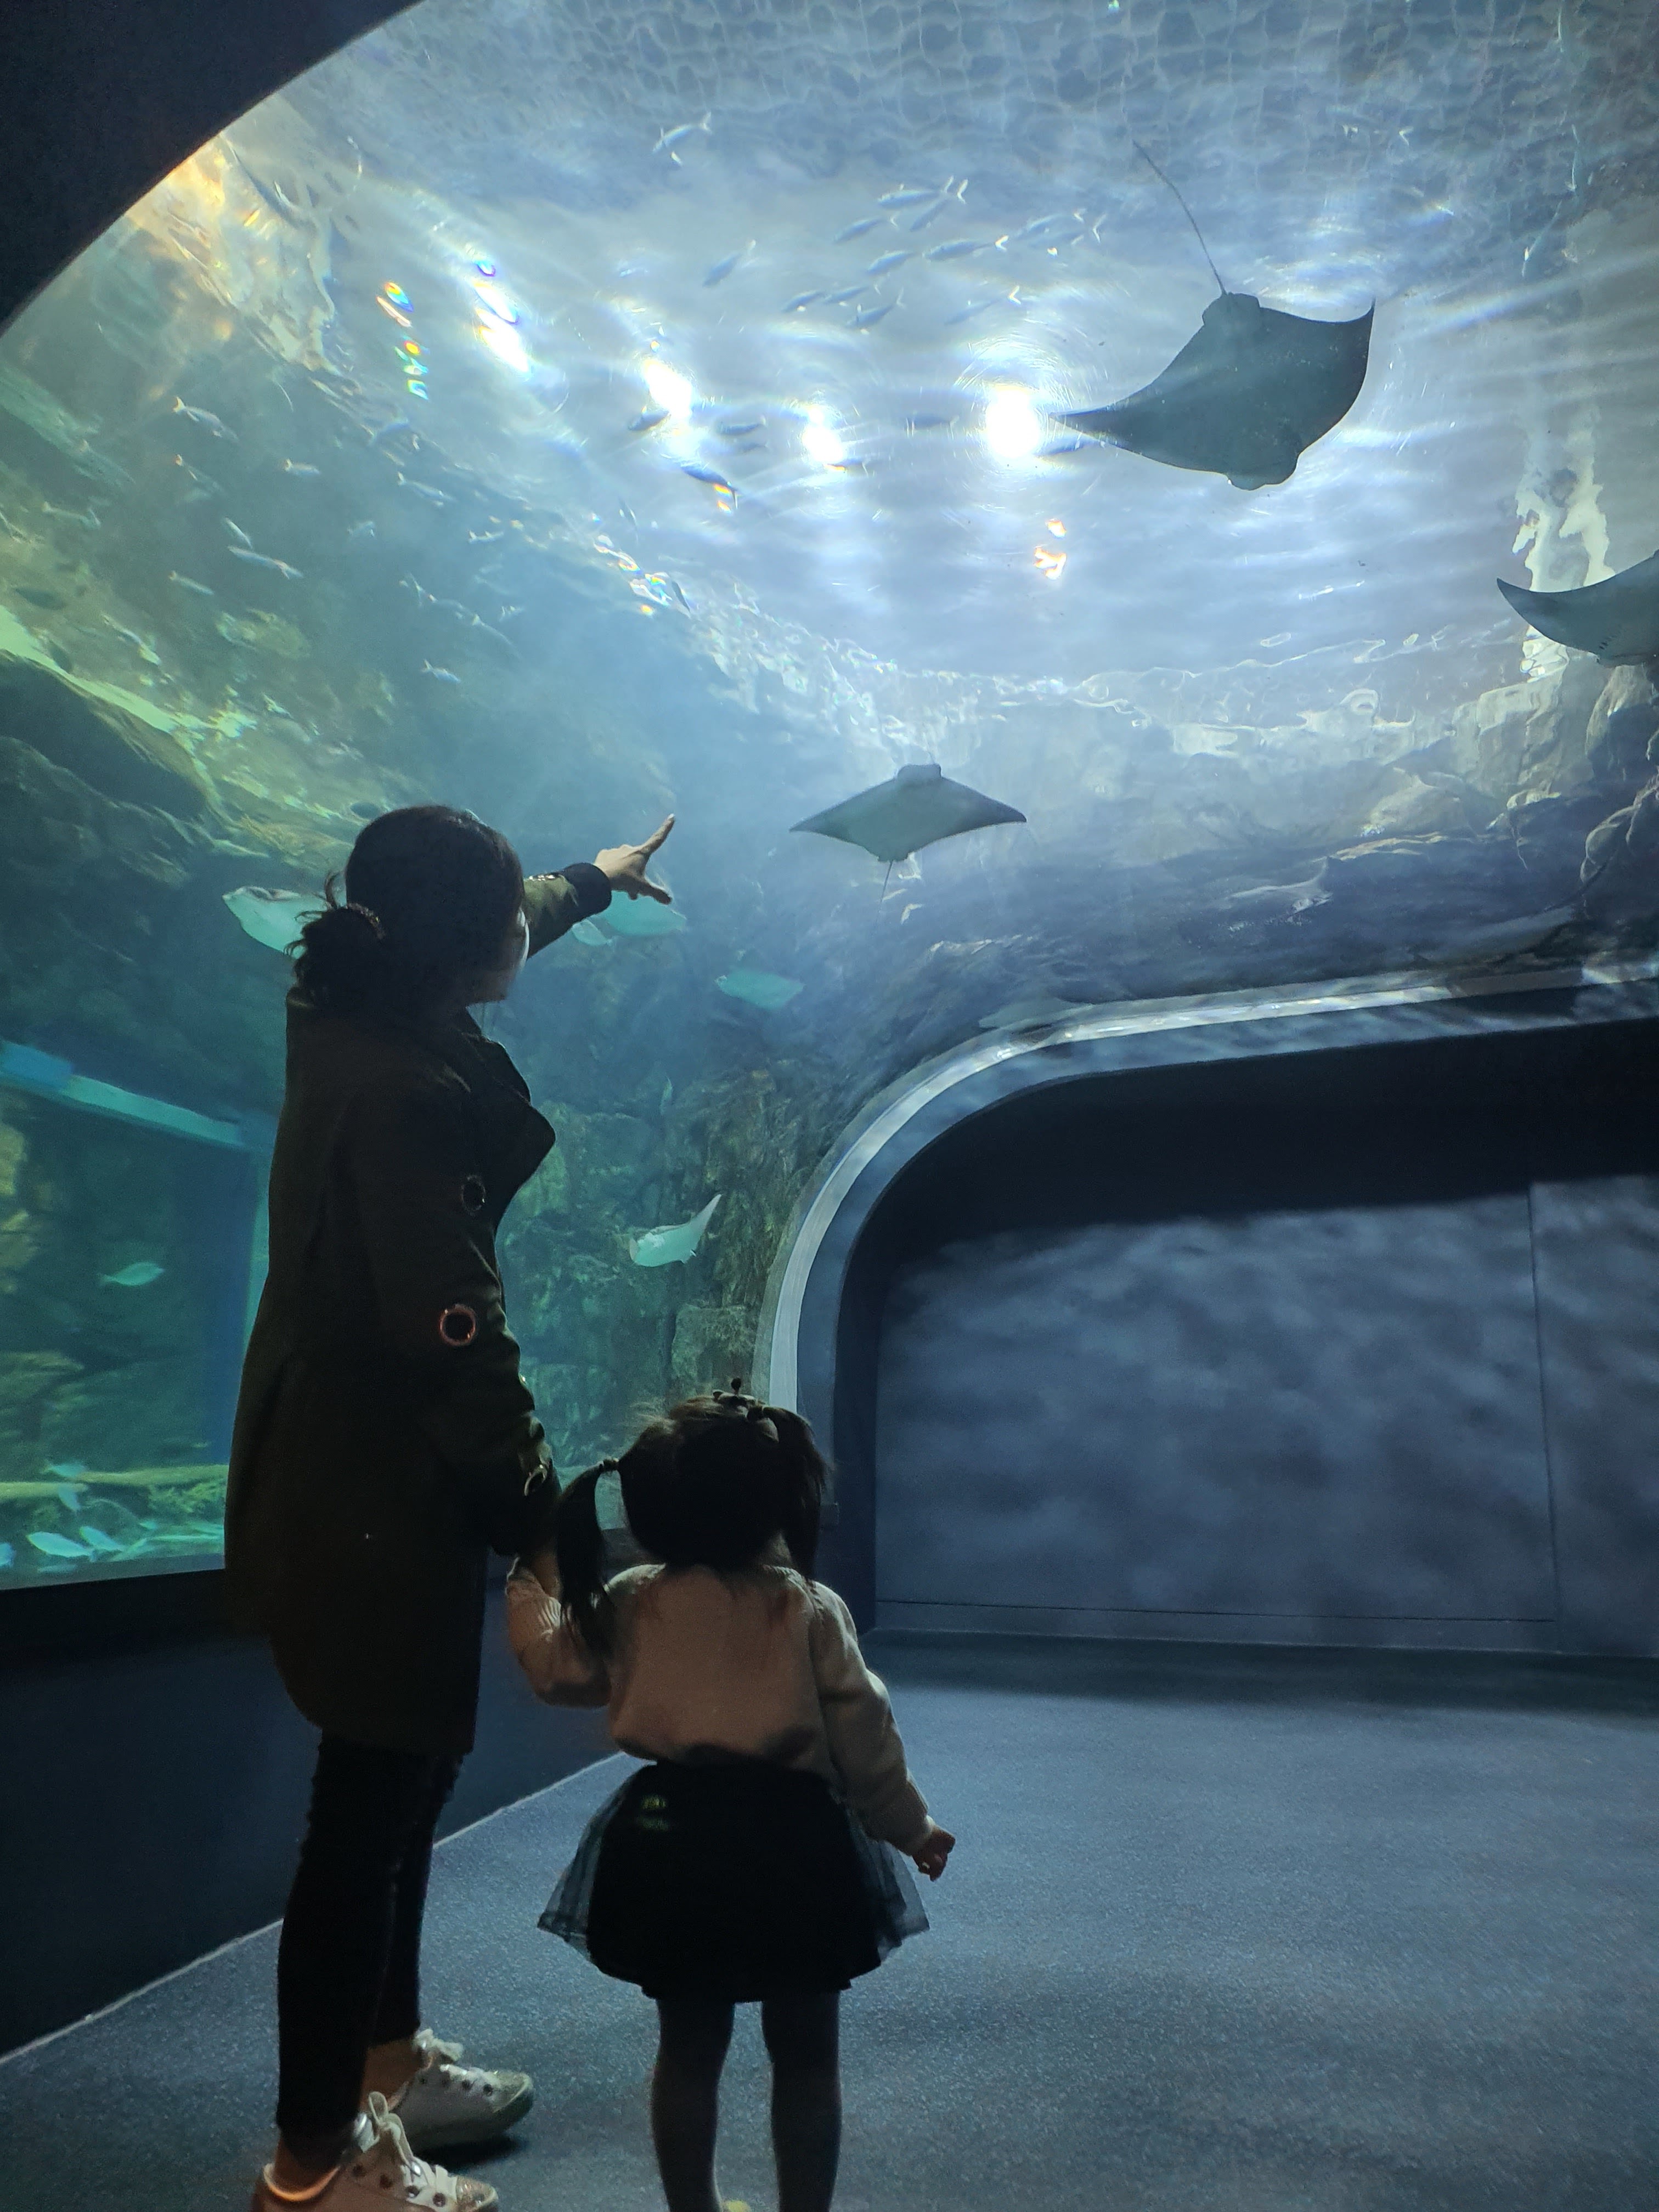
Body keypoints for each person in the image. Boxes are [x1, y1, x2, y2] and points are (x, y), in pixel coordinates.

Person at [228, 802, 674, 2212]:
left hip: (354, 1462)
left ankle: (385, 2060)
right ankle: (315, 2161)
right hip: (373, 1479)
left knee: (406, 1780)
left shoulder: (348, 992)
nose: (521, 929)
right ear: (459, 950)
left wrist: (593, 882)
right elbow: (453, 1339)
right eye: (509, 919)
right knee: (364, 1818)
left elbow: (514, 909)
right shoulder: (407, 1094)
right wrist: (542, 1516)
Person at [506, 1383, 955, 2212]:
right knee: (808, 2054)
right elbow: (864, 1737)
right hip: (796, 1846)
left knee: (688, 2050)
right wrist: (911, 1826)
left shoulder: (633, 1599)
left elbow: (557, 1668)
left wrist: (528, 1590)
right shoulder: (807, 1608)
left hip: (669, 1839)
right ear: (776, 1505)